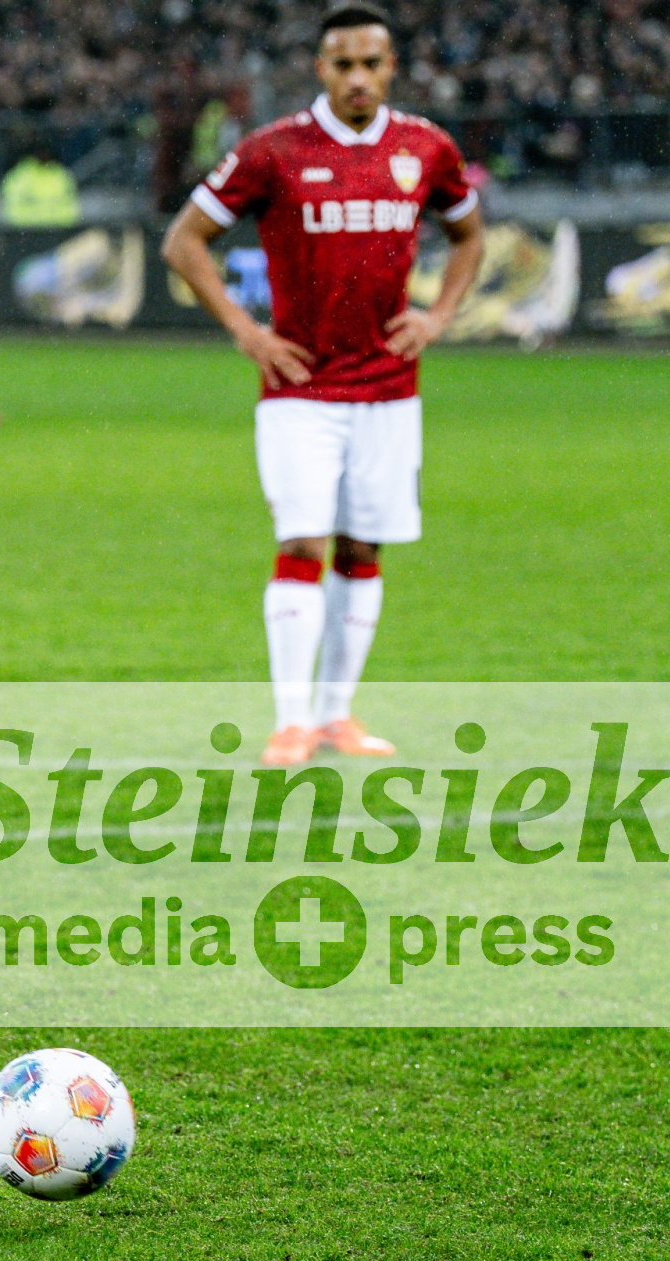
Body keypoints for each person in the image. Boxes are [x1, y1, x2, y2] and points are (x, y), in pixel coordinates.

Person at [160, 1, 484, 767]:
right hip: (300, 390)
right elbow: (184, 241)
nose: (358, 78)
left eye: (372, 64)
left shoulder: (426, 148)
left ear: (391, 68)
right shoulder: (273, 151)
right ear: (321, 69)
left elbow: (468, 234)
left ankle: (338, 716)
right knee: (303, 540)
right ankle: (291, 721)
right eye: (344, 65)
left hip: (389, 391)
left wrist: (438, 315)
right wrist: (246, 331)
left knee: (362, 547)